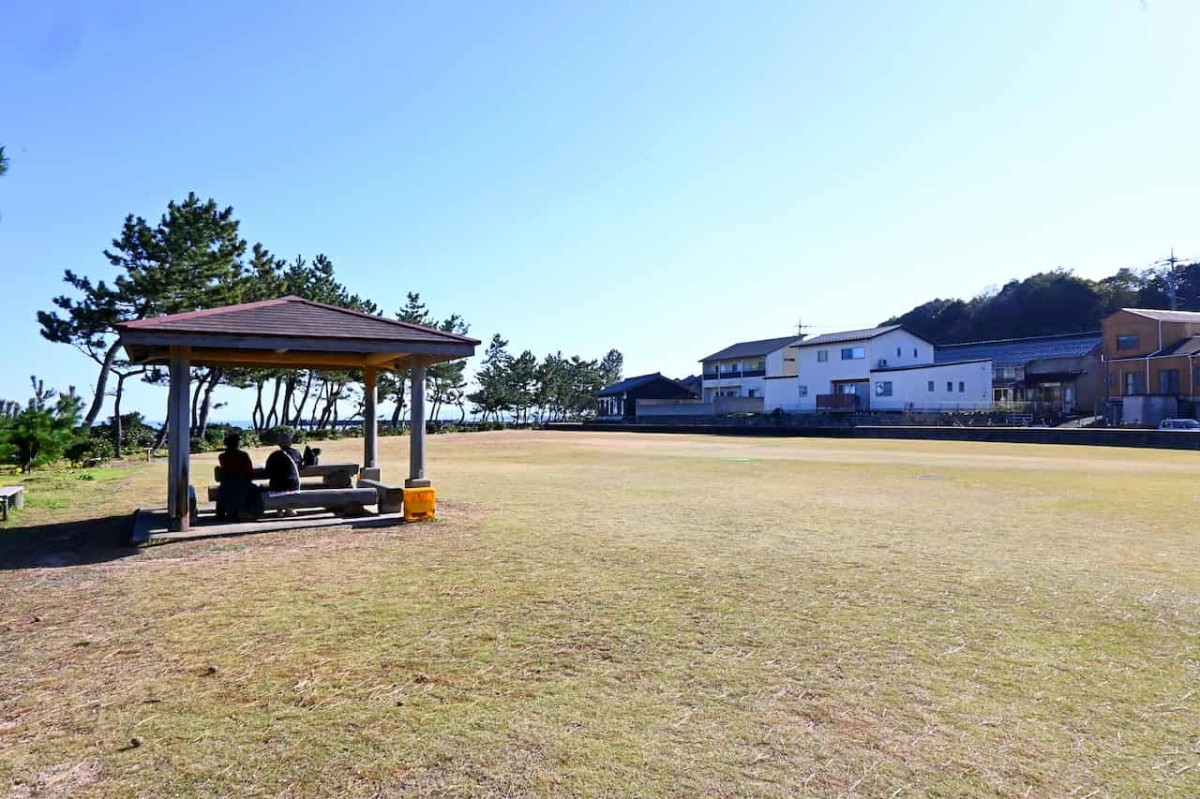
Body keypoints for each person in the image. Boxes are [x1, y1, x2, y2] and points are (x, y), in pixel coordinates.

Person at [215, 432, 256, 520]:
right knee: (254, 489)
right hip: (241, 483)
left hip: (226, 483)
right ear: (237, 443)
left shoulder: (222, 456)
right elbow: (249, 472)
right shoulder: (243, 455)